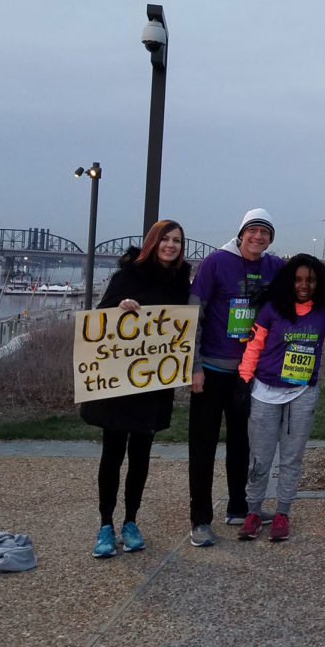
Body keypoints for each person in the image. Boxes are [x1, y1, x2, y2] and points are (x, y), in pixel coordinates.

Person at [81, 220, 191, 558]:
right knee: (112, 453)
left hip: (153, 384)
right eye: (165, 239)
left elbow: (179, 327)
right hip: (120, 383)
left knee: (141, 455)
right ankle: (105, 524)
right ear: (153, 242)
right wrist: (120, 308)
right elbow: (98, 319)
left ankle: (130, 521)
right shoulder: (126, 276)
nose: (171, 245)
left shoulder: (179, 282)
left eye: (176, 241)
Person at [187, 209, 285, 547]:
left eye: (265, 233)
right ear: (241, 233)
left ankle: (238, 506)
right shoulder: (214, 263)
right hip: (212, 371)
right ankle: (200, 519)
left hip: (250, 374)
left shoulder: (274, 267)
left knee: (244, 444)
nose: (258, 237)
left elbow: (306, 289)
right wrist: (194, 366)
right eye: (253, 231)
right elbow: (194, 314)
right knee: (203, 446)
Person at [236, 254, 325, 542]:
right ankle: (253, 511)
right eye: (298, 279)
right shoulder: (271, 308)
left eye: (311, 280)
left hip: (302, 393)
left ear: (320, 282)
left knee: (292, 458)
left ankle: (282, 512)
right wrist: (244, 380)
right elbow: (254, 345)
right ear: (289, 280)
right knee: (260, 457)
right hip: (265, 391)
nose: (304, 285)